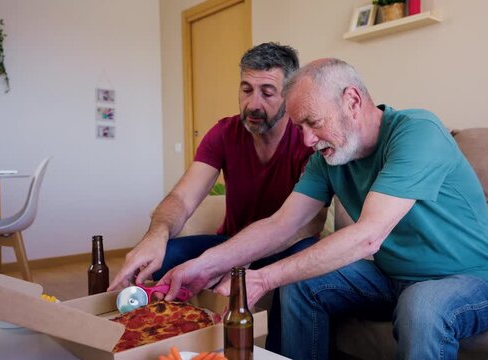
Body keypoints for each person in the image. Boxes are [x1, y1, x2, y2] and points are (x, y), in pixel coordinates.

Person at [156, 58, 488, 360]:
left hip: (474, 279)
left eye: (313, 122)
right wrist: (203, 266)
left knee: (422, 306)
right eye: (299, 127)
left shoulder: (417, 132)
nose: (307, 140)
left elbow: (366, 238)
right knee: (302, 283)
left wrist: (265, 277)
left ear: (352, 101)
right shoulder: (326, 159)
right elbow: (282, 224)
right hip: (395, 279)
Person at [108, 42, 325, 353]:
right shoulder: (224, 133)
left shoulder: (305, 139)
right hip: (231, 241)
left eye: (267, 92)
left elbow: (310, 219)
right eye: (246, 89)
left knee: (295, 279)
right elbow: (182, 198)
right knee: (162, 257)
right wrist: (156, 234)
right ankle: (153, 343)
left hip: (289, 246)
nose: (252, 104)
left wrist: (241, 256)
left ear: (289, 96)